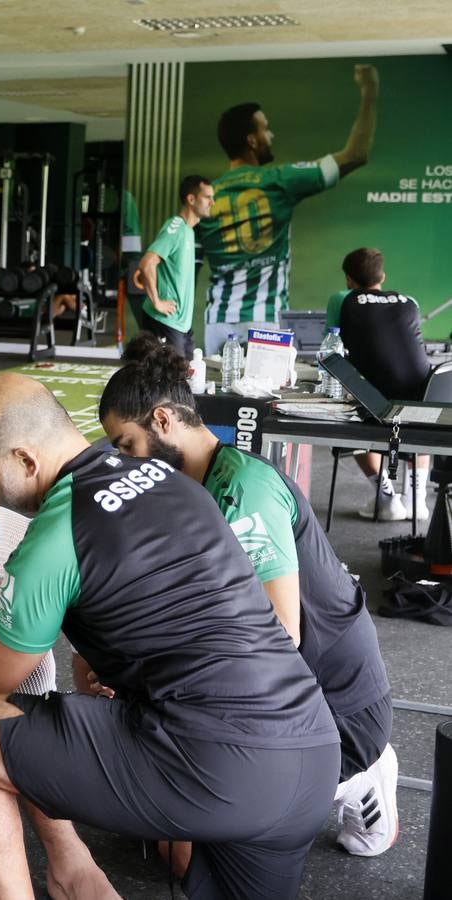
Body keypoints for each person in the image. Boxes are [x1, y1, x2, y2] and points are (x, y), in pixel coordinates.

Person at [0, 372, 340, 900]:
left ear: (26, 461)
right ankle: (73, 875)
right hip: (310, 753)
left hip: (218, 767)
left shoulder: (57, 535)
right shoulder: (172, 481)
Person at [97, 333, 398, 865]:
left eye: (125, 445)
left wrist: (162, 676)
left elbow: (281, 634)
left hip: (336, 708)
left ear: (163, 422)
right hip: (281, 693)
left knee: (186, 852)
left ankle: (360, 777)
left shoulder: (243, 493)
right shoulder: (188, 485)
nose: (122, 462)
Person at [196, 64, 379, 356]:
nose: (272, 135)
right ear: (251, 141)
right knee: (267, 400)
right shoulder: (279, 180)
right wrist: (369, 90)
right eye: (265, 129)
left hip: (217, 322)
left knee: (218, 398)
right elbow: (356, 155)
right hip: (266, 321)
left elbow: (190, 263)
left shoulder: (207, 195)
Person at [327, 247, 432, 521]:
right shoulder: (410, 300)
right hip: (422, 401)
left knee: (348, 413)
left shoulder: (342, 299)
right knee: (419, 422)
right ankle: (417, 500)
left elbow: (332, 348)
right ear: (382, 275)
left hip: (374, 403)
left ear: (349, 279)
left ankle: (386, 499)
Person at [134, 175, 214, 359]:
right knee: (166, 381)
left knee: (186, 379)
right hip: (165, 322)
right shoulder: (176, 227)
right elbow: (146, 264)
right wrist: (157, 302)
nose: (212, 202)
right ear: (191, 199)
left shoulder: (188, 231)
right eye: (208, 197)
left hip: (181, 326)